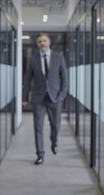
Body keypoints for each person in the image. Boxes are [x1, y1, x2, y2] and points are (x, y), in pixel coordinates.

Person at [23, 33, 67, 165]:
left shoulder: (58, 57)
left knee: (55, 125)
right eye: (40, 42)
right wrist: (25, 98)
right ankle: (40, 154)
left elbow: (64, 76)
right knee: (38, 127)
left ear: (49, 42)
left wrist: (62, 94)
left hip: (55, 97)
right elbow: (27, 80)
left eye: (44, 41)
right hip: (38, 98)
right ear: (37, 44)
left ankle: (54, 141)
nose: (42, 43)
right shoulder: (32, 59)